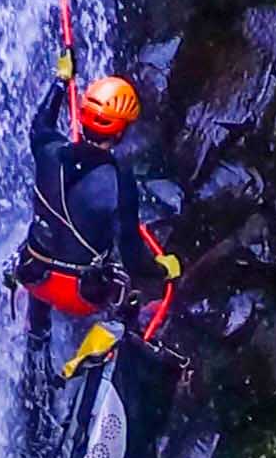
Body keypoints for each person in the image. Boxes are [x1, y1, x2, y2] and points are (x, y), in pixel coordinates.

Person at [20, 56, 177, 349]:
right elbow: (132, 256)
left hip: (35, 277)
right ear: (120, 132)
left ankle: (37, 338)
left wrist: (60, 82)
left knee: (42, 247)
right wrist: (162, 270)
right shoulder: (120, 181)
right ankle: (105, 351)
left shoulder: (49, 151)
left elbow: (39, 126)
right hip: (82, 295)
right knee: (128, 295)